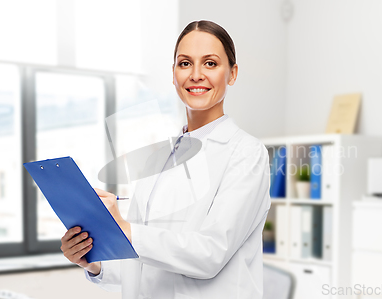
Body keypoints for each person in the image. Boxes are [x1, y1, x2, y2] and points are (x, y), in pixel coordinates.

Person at [60, 20, 271, 299]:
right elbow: (144, 263)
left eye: (210, 63)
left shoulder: (246, 153)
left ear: (231, 74)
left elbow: (209, 255)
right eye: (185, 64)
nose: (196, 75)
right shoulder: (158, 158)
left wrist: (126, 229)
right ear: (173, 75)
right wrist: (94, 261)